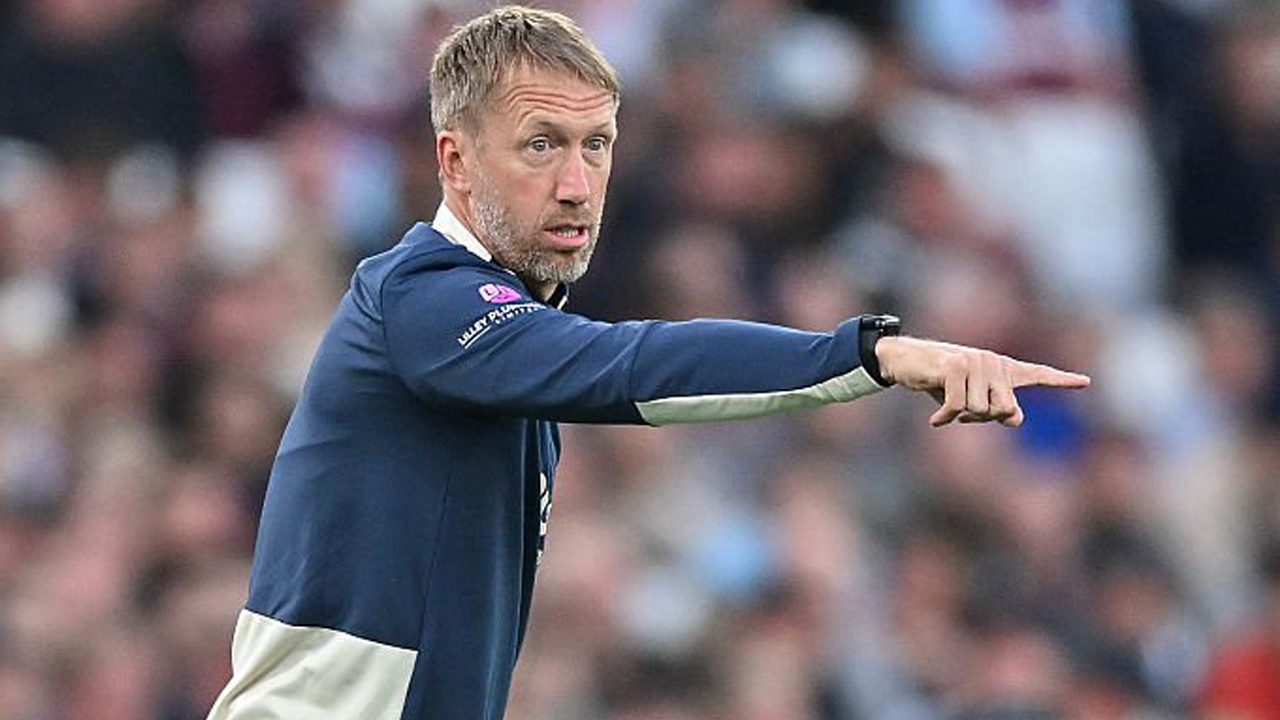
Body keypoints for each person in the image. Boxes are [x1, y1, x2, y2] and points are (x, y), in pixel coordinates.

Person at [204, 6, 1090, 720]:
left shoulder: (497, 340)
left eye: (596, 144)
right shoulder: (421, 298)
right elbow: (632, 364)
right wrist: (874, 354)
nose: (578, 184)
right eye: (541, 144)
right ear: (456, 161)